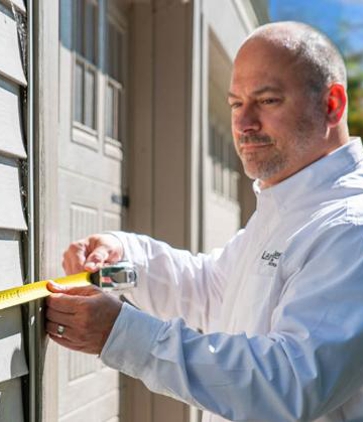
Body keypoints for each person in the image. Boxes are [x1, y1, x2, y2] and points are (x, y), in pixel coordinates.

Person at [46, 21, 363, 421]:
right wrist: (124, 258)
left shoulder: (349, 227)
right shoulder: (287, 209)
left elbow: (289, 383)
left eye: (266, 101)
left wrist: (121, 334)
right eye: (235, 103)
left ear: (331, 104)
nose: (243, 123)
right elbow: (208, 289)